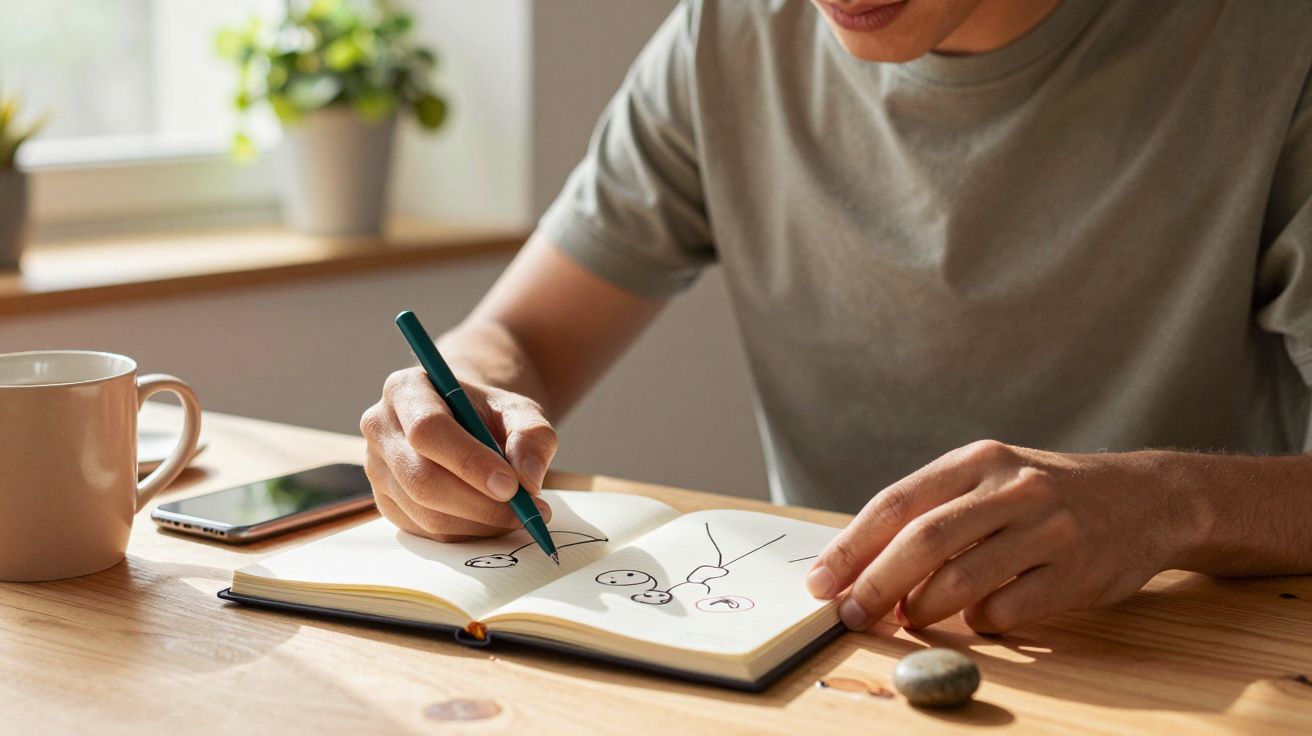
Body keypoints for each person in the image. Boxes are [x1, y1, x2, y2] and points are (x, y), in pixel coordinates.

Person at [360, 0, 1312, 635]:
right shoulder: (726, 35)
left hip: (1181, 662)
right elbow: (520, 339)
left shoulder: (1272, 47)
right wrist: (452, 405)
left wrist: (1167, 504)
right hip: (821, 659)